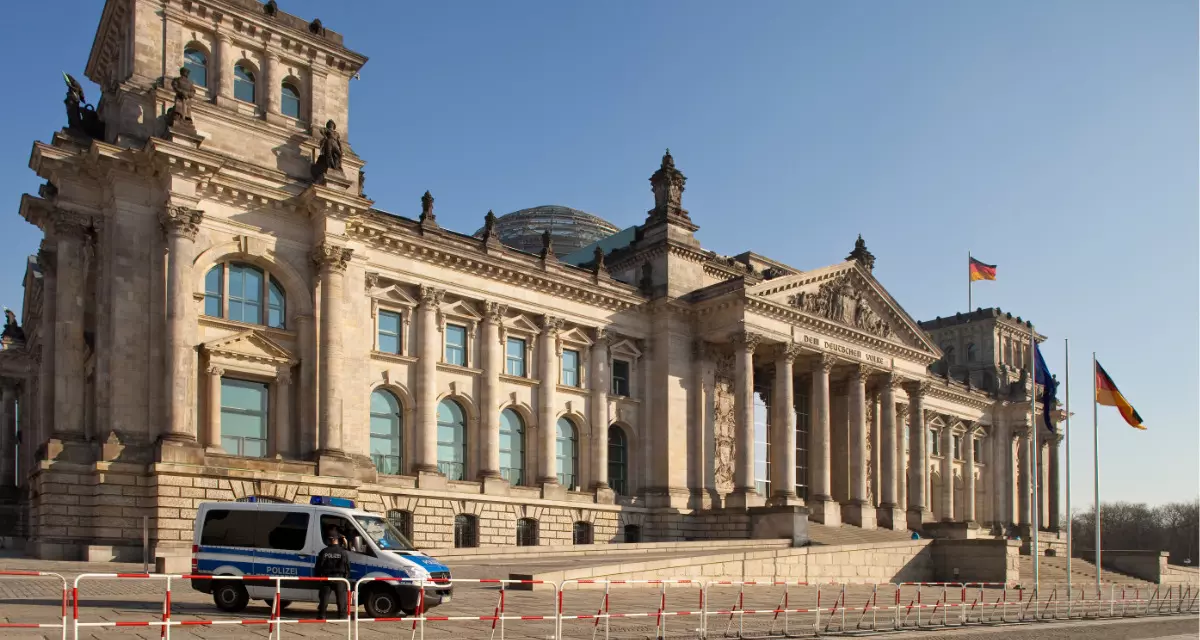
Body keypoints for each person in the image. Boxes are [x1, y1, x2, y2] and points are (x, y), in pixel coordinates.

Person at [314, 528, 351, 619]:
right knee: (341, 599)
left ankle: (321, 615)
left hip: (326, 578)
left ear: (329, 539)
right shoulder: (343, 552)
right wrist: (346, 578)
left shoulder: (324, 551)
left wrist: (318, 577)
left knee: (324, 599)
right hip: (339, 578)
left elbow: (318, 566)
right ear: (336, 539)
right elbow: (347, 566)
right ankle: (342, 616)